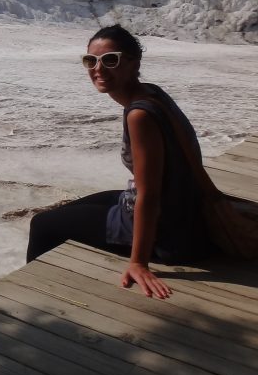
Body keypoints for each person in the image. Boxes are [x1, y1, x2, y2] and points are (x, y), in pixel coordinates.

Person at [26, 24, 211, 298]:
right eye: (91, 60)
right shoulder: (151, 93)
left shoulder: (140, 115)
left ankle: (35, 297)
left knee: (43, 225)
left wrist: (138, 262)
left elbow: (150, 195)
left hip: (168, 231)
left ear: (134, 64)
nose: (98, 69)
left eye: (110, 60)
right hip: (180, 210)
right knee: (77, 207)